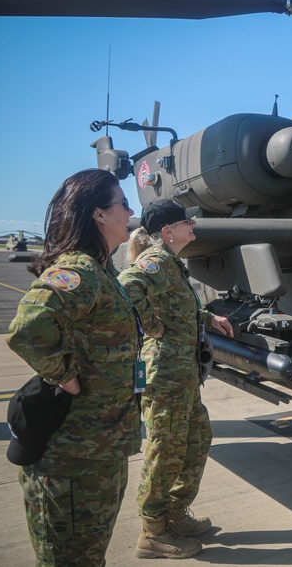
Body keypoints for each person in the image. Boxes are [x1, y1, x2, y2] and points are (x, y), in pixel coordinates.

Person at [7, 168, 141, 566]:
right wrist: (64, 378)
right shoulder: (80, 271)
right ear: (99, 214)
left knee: (88, 558)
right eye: (123, 203)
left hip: (100, 450)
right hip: (71, 457)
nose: (131, 210)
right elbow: (28, 329)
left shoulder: (104, 272)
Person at [118, 199, 234, 560]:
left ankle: (174, 512)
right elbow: (126, 287)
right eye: (187, 221)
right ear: (168, 231)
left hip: (182, 374)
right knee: (165, 448)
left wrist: (206, 317)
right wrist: (153, 327)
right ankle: (152, 531)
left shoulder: (172, 263)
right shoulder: (154, 261)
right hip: (164, 375)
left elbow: (175, 304)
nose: (193, 223)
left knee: (197, 439)